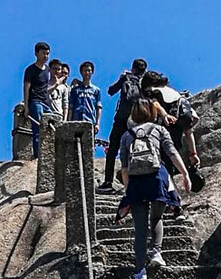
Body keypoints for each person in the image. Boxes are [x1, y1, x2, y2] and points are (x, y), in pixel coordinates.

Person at [117, 98, 190, 279]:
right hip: (157, 177)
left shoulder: (126, 136)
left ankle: (141, 272)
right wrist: (185, 174)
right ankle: (156, 252)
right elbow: (172, 153)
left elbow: (124, 167)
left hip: (136, 182)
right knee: (157, 218)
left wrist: (128, 191)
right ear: (152, 112)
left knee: (140, 229)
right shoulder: (159, 130)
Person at [141, 71, 205, 190]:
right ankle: (170, 197)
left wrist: (165, 115)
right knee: (170, 162)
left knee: (161, 164)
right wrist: (193, 154)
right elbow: (188, 129)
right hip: (178, 130)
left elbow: (155, 103)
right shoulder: (176, 94)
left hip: (165, 129)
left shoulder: (151, 90)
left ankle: (162, 195)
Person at [101, 58, 147, 192]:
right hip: (137, 120)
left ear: (132, 68)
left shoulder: (125, 77)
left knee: (113, 149)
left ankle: (108, 182)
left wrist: (122, 77)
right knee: (135, 150)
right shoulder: (145, 82)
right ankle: (136, 182)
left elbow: (110, 91)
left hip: (121, 118)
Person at [22, 42, 54, 157]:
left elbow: (48, 87)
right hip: (35, 101)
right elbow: (26, 88)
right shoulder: (30, 70)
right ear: (36, 53)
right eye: (43, 53)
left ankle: (49, 154)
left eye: (47, 54)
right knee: (38, 128)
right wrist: (26, 106)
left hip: (46, 102)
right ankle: (37, 155)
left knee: (53, 125)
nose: (46, 56)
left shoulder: (48, 70)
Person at [68, 61, 102, 135]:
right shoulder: (75, 90)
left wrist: (97, 124)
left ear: (92, 72)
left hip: (90, 121)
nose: (87, 73)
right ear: (81, 72)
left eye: (89, 71)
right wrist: (69, 122)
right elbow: (71, 107)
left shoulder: (96, 90)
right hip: (76, 121)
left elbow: (98, 108)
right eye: (85, 71)